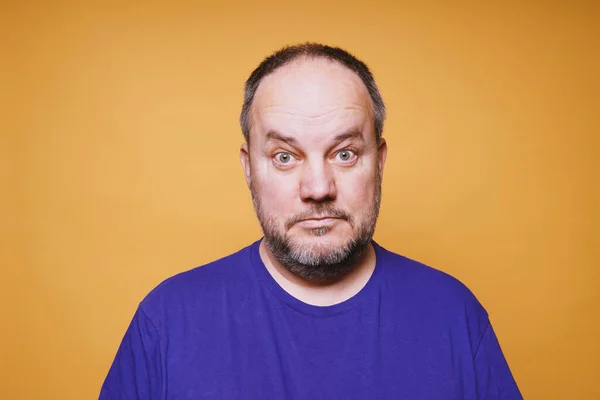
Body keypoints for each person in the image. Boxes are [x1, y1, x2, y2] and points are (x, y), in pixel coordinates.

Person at [100, 43, 523, 399]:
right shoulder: (168, 321)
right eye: (285, 157)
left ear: (380, 161)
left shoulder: (454, 316)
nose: (318, 188)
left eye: (345, 153)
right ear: (249, 168)